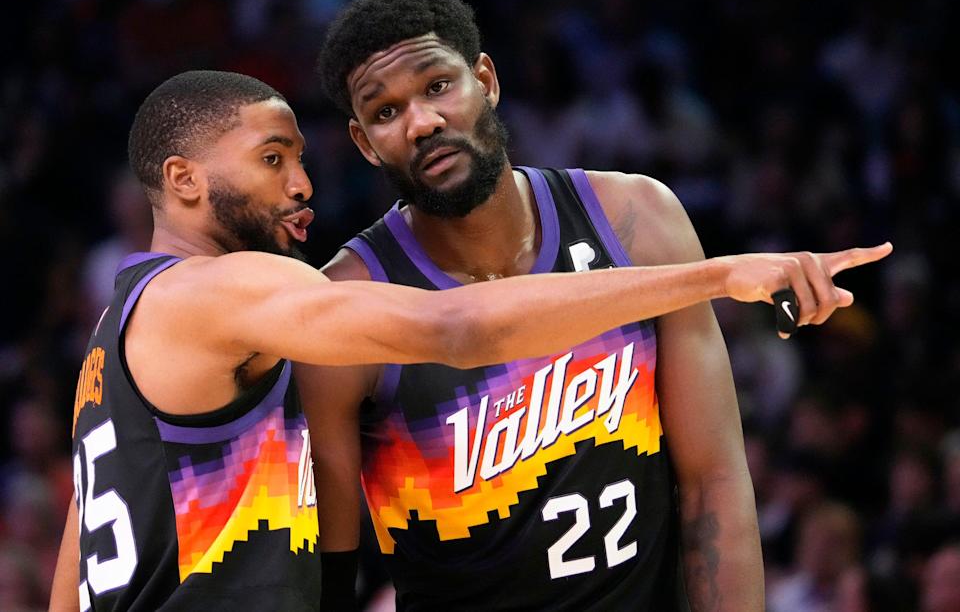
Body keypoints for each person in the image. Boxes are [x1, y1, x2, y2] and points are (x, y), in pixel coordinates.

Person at [47, 69, 886, 611]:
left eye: (300, 157)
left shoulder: (113, 338)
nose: (301, 184)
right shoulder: (221, 289)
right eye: (271, 159)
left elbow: (75, 557)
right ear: (183, 181)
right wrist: (715, 274)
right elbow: (455, 325)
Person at [305, 0, 891, 611]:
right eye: (386, 112)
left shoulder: (636, 217)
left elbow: (713, 481)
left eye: (438, 86)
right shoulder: (349, 304)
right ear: (364, 143)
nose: (422, 121)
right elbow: (331, 575)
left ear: (486, 80)